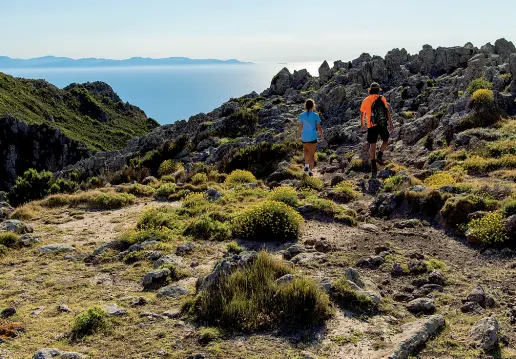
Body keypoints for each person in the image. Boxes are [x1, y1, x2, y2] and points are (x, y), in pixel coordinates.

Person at [360, 82, 394, 179]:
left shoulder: (365, 100)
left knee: (372, 144)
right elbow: (387, 111)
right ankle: (380, 155)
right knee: (385, 140)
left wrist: (362, 124)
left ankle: (373, 166)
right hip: (382, 124)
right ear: (378, 90)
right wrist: (391, 123)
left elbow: (362, 114)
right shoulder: (382, 98)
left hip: (371, 126)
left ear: (370, 90)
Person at [298, 99, 324, 176]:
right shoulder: (316, 115)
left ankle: (306, 165)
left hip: (304, 137)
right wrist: (322, 135)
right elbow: (319, 127)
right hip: (312, 136)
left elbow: (300, 127)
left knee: (306, 151)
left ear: (305, 106)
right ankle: (310, 171)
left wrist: (298, 135)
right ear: (313, 106)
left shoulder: (301, 115)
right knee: (312, 154)